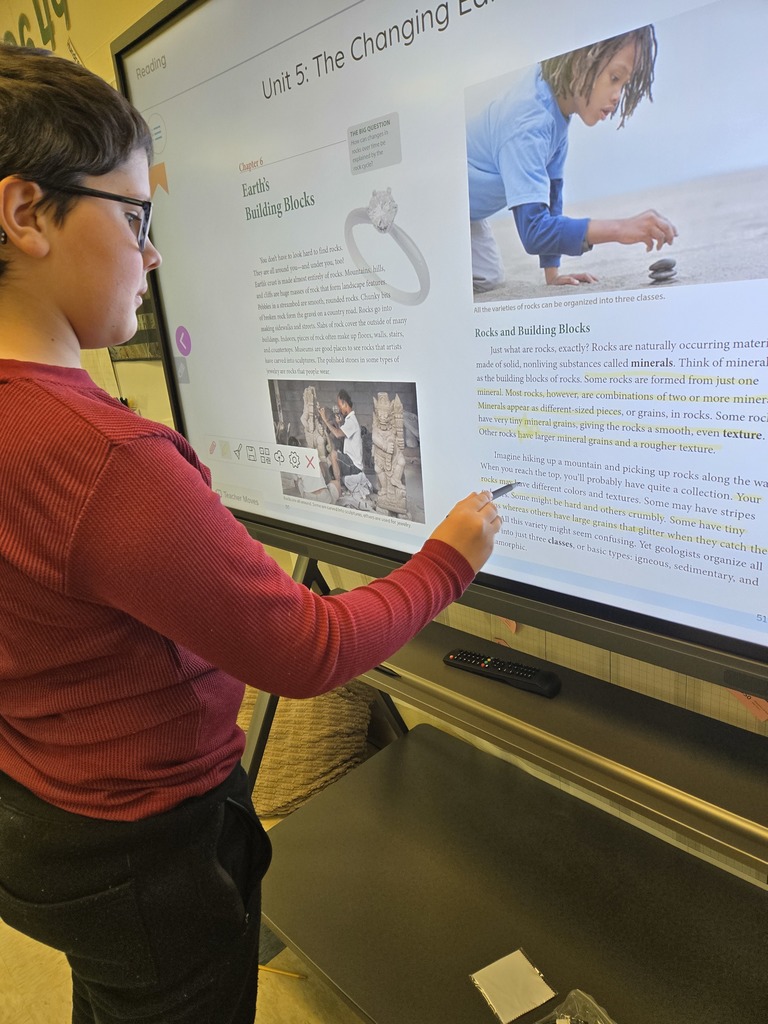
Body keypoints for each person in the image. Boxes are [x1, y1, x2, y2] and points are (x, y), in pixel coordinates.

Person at [0, 43, 502, 1024]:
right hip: (143, 845)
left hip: (39, 810)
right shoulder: (104, 457)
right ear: (25, 214)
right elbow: (303, 648)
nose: (151, 253)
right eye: (136, 216)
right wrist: (450, 557)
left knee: (116, 992)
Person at [466, 26, 678, 292]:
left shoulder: (557, 107)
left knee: (488, 279)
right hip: (441, 205)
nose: (617, 96)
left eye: (624, 84)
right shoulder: (529, 121)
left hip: (470, 213)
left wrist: (553, 274)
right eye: (614, 78)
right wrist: (621, 228)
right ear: (580, 60)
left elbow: (551, 198)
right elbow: (534, 231)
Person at [319, 388, 365, 488]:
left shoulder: (352, 421)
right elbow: (342, 435)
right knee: (330, 460)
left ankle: (338, 486)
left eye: (340, 406)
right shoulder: (349, 420)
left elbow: (338, 434)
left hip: (354, 465)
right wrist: (339, 424)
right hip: (350, 460)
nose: (340, 409)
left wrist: (325, 420)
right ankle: (333, 482)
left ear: (345, 404)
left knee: (334, 455)